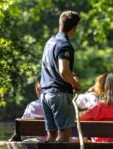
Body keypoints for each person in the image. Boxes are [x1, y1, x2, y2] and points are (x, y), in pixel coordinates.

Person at [40, 10, 81, 142]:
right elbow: (63, 70)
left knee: (51, 135)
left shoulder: (50, 42)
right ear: (74, 28)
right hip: (59, 95)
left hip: (45, 93)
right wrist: (75, 84)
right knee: (63, 135)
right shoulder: (65, 45)